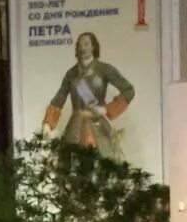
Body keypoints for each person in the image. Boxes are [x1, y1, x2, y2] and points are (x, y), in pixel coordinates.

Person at [41, 31, 134, 161]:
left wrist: (107, 109)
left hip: (98, 125)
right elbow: (60, 97)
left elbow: (128, 90)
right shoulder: (72, 73)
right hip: (75, 128)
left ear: (93, 46)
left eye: (86, 44)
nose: (82, 48)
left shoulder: (105, 69)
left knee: (103, 165)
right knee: (71, 167)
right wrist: (48, 123)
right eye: (79, 45)